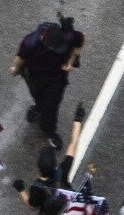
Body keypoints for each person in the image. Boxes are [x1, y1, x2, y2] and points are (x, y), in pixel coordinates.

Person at [11, 17, 84, 149]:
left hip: (56, 79)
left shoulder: (66, 36)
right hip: (34, 76)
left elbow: (80, 39)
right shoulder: (30, 42)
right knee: (37, 96)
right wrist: (15, 69)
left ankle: (49, 130)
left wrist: (71, 61)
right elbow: (20, 58)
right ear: (46, 42)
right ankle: (39, 108)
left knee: (51, 106)